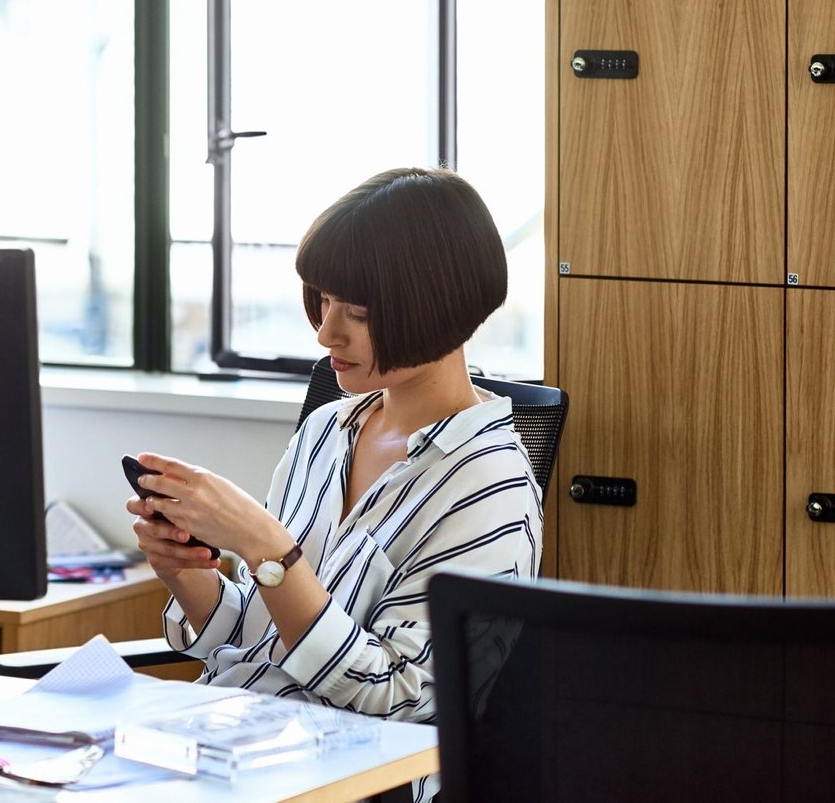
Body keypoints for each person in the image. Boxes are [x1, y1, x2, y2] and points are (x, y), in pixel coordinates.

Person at [127, 166, 541, 730]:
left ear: (439, 308)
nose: (325, 332)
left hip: (350, 764)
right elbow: (259, 635)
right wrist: (185, 572)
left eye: (358, 313)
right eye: (324, 300)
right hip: (235, 732)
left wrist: (265, 546)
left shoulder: (490, 486)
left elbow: (404, 694)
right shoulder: (326, 430)